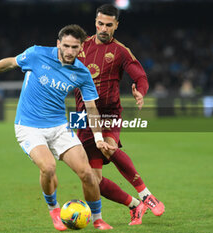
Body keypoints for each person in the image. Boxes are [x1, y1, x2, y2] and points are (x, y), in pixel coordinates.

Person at [0, 24, 114, 231]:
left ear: (81, 48)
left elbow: (91, 108)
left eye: (75, 47)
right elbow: (10, 62)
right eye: (66, 46)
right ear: (58, 43)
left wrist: (99, 137)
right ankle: (54, 209)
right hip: (29, 126)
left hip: (59, 126)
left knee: (87, 173)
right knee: (48, 167)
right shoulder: (36, 54)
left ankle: (98, 219)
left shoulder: (82, 73)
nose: (69, 51)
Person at [75, 4, 165, 225]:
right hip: (82, 115)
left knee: (109, 146)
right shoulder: (80, 46)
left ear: (116, 25)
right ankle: (135, 206)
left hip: (109, 112)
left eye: (108, 25)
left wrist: (140, 92)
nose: (103, 28)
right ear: (95, 22)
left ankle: (146, 194)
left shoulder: (120, 51)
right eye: (100, 23)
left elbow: (140, 77)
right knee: (93, 180)